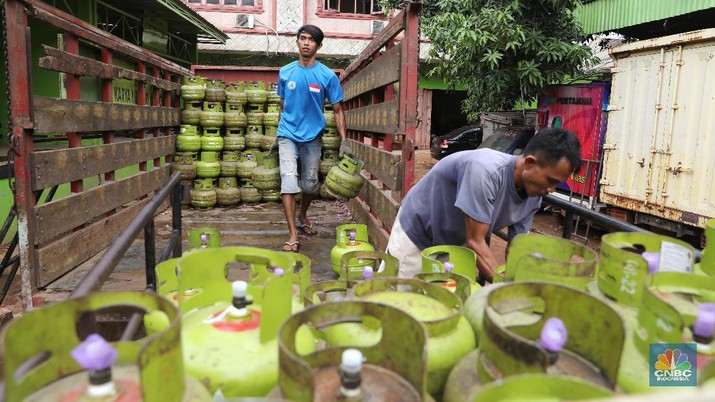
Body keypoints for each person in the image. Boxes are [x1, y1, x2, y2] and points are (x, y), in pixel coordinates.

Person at [386, 127, 582, 281]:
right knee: (400, 297)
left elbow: (517, 248)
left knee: (444, 304)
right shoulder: (484, 170)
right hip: (419, 232)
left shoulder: (534, 194)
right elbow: (475, 241)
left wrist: (520, 282)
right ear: (529, 163)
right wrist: (505, 292)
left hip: (454, 244)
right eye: (551, 180)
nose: (552, 189)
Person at [276, 24, 348, 252]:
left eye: (311, 40)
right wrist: (277, 134)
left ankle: (303, 214)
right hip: (287, 134)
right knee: (288, 181)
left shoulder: (327, 76)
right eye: (302, 38)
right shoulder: (285, 72)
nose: (306, 43)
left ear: (319, 45)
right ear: (297, 42)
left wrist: (344, 140)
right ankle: (293, 233)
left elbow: (337, 110)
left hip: (312, 137)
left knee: (310, 184)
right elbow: (282, 105)